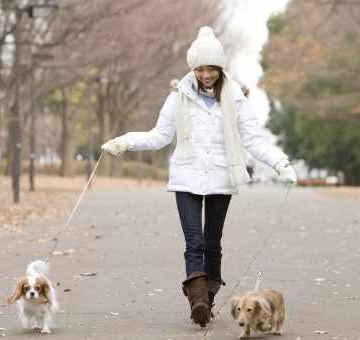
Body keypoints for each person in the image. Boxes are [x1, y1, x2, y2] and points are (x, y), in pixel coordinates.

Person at [101, 26, 297, 327]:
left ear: (220, 68)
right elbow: (159, 136)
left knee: (212, 242)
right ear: (193, 69)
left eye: (211, 69)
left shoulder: (235, 98)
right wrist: (124, 142)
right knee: (193, 241)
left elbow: (254, 140)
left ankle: (210, 293)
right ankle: (199, 302)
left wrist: (281, 164)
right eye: (200, 69)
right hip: (187, 176)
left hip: (222, 176)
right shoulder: (178, 96)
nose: (206, 75)